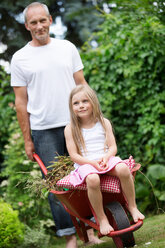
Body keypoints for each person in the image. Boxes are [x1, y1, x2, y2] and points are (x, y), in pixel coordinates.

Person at [10, 2, 102, 248]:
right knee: (58, 185)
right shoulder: (20, 58)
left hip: (76, 124)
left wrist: (94, 119)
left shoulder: (67, 48)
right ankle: (70, 237)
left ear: (50, 20)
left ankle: (91, 231)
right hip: (43, 130)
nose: (39, 26)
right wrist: (28, 140)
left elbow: (82, 84)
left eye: (43, 20)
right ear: (27, 26)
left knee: (86, 177)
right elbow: (21, 103)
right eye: (34, 22)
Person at [64, 84, 145, 236]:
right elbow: (74, 155)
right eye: (76, 103)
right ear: (71, 106)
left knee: (123, 168)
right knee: (93, 179)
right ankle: (102, 219)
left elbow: (112, 147)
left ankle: (133, 207)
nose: (81, 106)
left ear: (93, 102)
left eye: (85, 101)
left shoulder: (103, 122)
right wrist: (92, 163)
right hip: (85, 164)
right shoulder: (70, 128)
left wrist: (107, 158)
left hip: (105, 160)